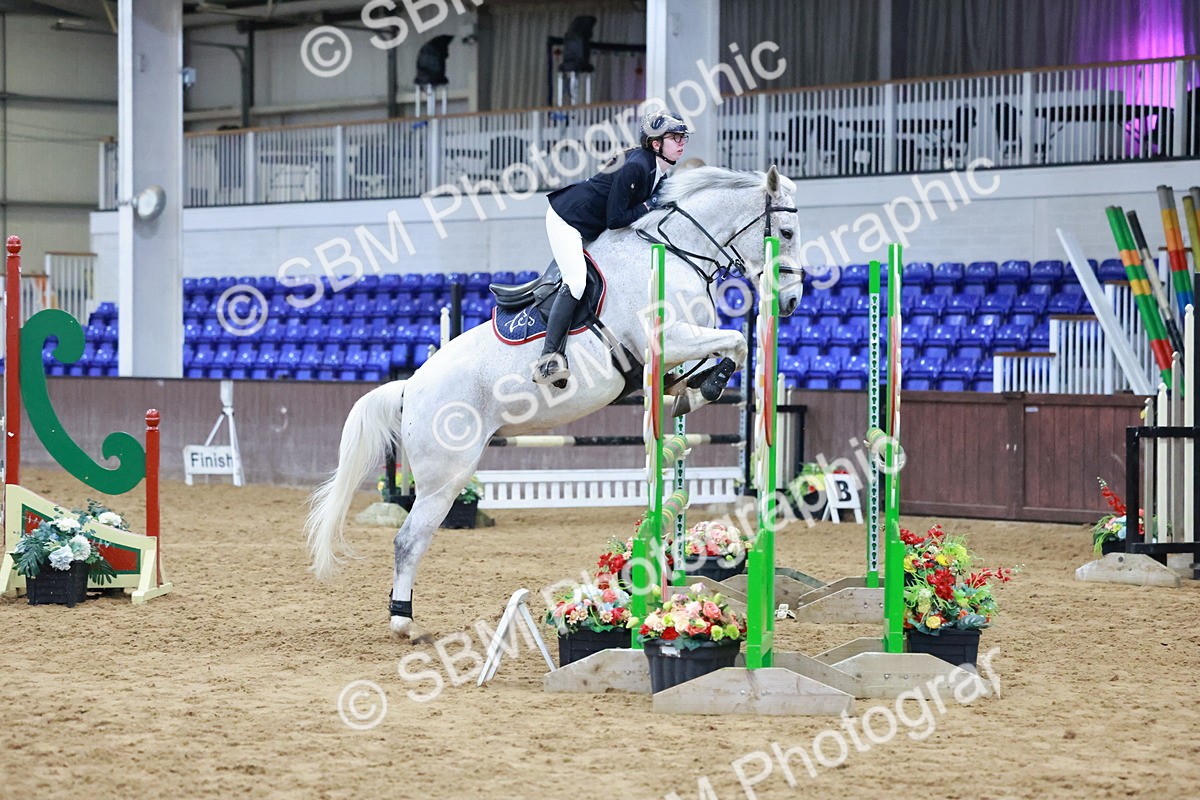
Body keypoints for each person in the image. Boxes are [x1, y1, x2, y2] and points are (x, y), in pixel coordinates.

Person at [533, 109, 692, 388]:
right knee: (577, 282)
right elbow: (616, 219)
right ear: (656, 144)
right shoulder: (637, 167)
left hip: (594, 226)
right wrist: (649, 206)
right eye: (674, 137)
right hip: (568, 220)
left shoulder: (659, 173)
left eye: (683, 137)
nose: (681, 142)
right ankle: (548, 359)